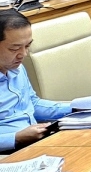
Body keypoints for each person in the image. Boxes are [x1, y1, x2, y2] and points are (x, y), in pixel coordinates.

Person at [0, 10, 72, 152]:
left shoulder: (17, 68)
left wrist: (76, 108)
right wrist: (16, 137)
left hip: (36, 143)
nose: (23, 54)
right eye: (14, 48)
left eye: (27, 46)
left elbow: (32, 103)